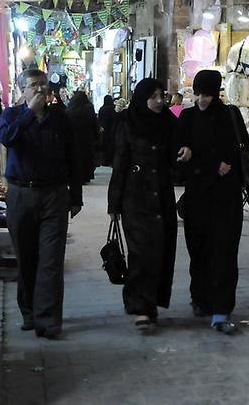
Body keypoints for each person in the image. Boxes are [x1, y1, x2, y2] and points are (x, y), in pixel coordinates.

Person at [0, 69, 83, 339]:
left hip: (54, 195)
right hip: (21, 194)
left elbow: (73, 155)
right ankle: (29, 311)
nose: (39, 90)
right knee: (27, 257)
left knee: (51, 259)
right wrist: (28, 114)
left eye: (43, 85)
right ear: (22, 89)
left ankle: (48, 319)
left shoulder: (59, 118)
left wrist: (76, 195)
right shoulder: (11, 115)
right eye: (33, 85)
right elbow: (6, 139)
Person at [179, 70, 249, 335]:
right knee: (200, 251)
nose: (202, 99)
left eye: (207, 93)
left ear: (216, 92)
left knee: (225, 253)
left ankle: (221, 310)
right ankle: (201, 297)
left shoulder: (231, 115)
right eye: (198, 93)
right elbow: (179, 157)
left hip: (226, 197)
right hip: (197, 197)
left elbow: (243, 151)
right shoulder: (188, 117)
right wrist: (210, 165)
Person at [107, 79, 191, 329]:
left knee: (161, 251)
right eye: (152, 96)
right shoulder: (128, 122)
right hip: (135, 196)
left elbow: (177, 158)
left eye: (161, 96)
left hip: (162, 196)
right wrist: (114, 204)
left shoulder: (169, 123)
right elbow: (119, 162)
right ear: (142, 97)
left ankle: (151, 301)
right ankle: (141, 307)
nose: (158, 101)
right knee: (141, 252)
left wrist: (185, 152)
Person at [65, 91, 99, 183]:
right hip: (87, 138)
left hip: (74, 139)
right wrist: (96, 136)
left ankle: (75, 176)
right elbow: (94, 123)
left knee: (76, 158)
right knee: (86, 158)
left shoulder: (70, 109)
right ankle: (85, 176)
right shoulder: (89, 108)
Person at [98, 95, 116, 165]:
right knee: (111, 145)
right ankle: (111, 160)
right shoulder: (113, 108)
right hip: (112, 129)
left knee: (104, 145)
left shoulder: (102, 109)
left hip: (104, 129)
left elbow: (99, 119)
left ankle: (104, 161)